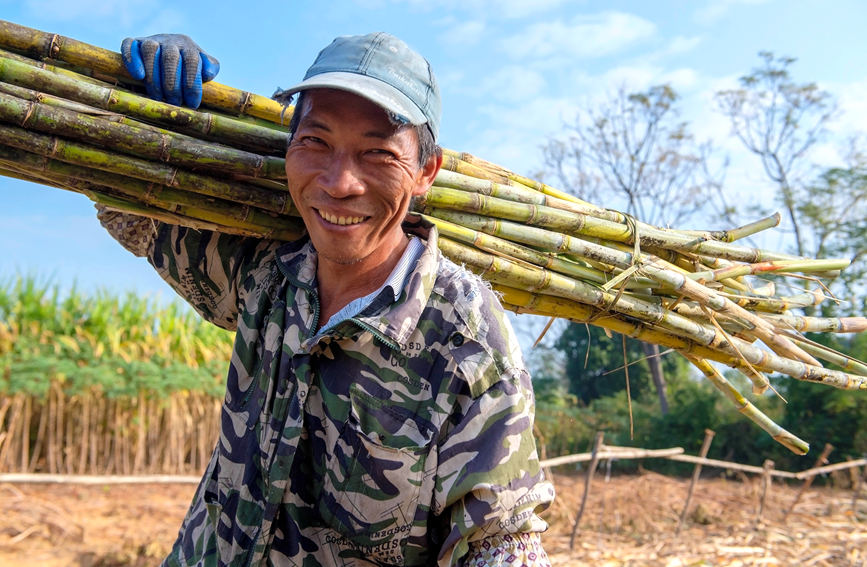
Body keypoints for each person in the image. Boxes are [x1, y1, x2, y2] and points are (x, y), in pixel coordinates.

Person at [100, 31, 554, 566]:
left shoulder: (463, 334)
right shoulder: (267, 273)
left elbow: (502, 544)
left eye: (378, 153)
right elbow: (133, 215)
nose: (339, 183)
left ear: (425, 172)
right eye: (315, 142)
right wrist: (135, 101)